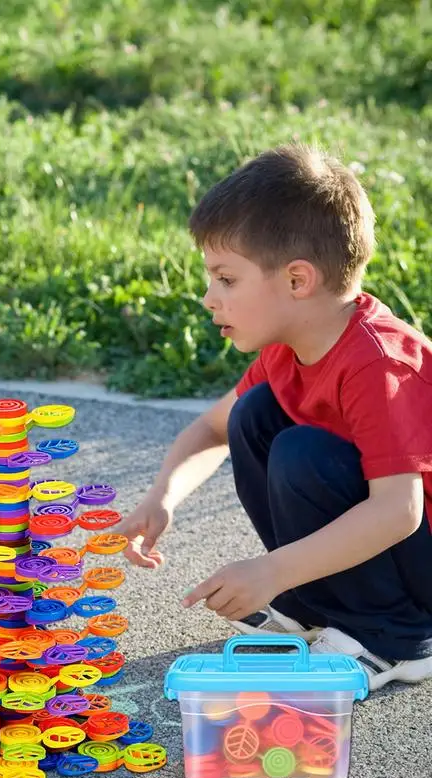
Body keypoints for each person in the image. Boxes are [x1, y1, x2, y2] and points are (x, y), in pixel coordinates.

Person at [122, 144, 432, 691]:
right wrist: (160, 499)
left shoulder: (377, 363)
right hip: (392, 547)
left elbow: (398, 513)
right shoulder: (286, 345)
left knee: (302, 452)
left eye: (226, 278)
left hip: (420, 558)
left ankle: (396, 638)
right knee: (253, 416)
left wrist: (272, 570)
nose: (207, 297)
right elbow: (212, 431)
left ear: (297, 281)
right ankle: (318, 607)